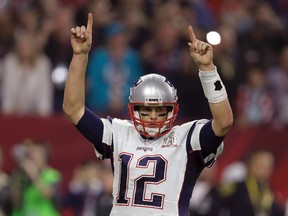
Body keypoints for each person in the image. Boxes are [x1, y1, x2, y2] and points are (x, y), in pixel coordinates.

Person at [63, 13, 233, 216]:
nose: (153, 116)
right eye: (146, 110)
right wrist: (80, 56)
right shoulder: (119, 132)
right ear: (133, 110)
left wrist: (208, 70)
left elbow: (223, 122)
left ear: (172, 110)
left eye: (160, 110)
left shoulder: (186, 138)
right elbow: (74, 110)